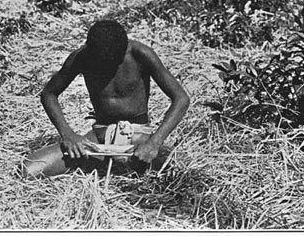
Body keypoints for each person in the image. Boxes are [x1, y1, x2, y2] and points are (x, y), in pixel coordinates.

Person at [22, 20, 190, 178]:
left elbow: (181, 98)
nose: (110, 67)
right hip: (98, 142)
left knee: (182, 167)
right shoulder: (82, 57)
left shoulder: (141, 54)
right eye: (103, 62)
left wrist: (154, 142)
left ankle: (121, 166)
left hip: (139, 140)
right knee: (29, 169)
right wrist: (68, 135)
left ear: (124, 50)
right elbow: (49, 94)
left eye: (116, 61)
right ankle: (104, 165)